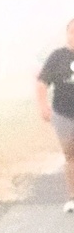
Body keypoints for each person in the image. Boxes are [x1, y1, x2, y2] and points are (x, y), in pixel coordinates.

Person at [36, 21, 74, 213]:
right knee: (70, 155)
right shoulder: (57, 57)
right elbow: (42, 82)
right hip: (64, 114)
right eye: (73, 32)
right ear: (67, 34)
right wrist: (43, 106)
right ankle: (72, 197)